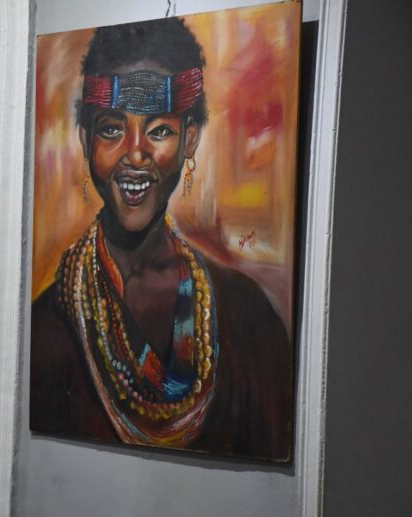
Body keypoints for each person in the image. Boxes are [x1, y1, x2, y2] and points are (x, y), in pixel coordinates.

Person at [30, 18, 293, 461]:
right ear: (86, 140)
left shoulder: (246, 316)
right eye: (112, 129)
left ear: (190, 139)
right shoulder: (48, 328)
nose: (136, 153)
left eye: (159, 131)